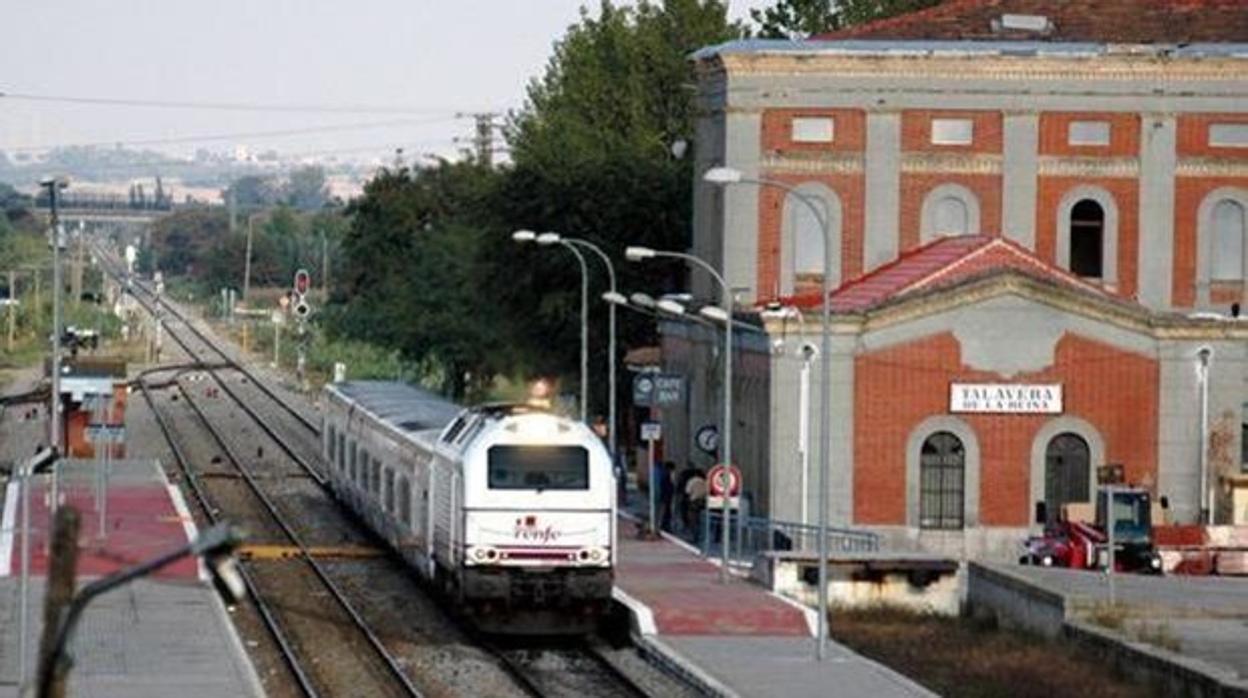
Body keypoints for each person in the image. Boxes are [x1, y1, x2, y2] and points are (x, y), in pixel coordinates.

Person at [684, 469, 707, 540]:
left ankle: (693, 535)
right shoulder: (704, 482)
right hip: (703, 501)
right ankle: (700, 534)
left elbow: (687, 492)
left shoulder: (691, 481)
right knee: (700, 519)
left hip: (693, 501)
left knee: (692, 519)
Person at [658, 461, 676, 532]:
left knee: (666, 511)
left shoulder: (663, 474)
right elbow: (671, 485)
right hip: (667, 496)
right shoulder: (668, 475)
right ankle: (665, 525)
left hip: (665, 496)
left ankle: (664, 524)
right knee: (666, 511)